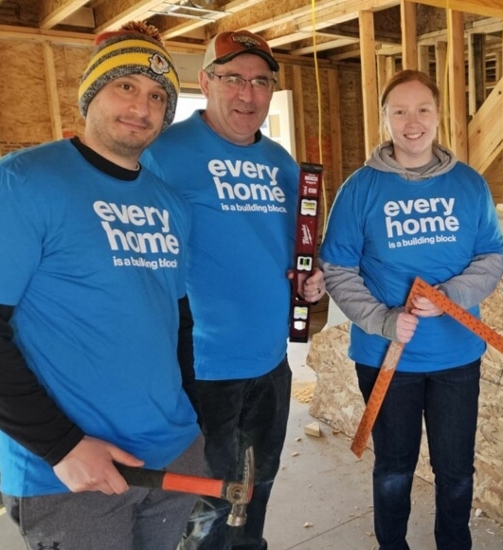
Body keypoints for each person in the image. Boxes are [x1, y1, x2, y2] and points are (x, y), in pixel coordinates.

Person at [0, 22, 205, 550]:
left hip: (174, 452)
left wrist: (192, 420)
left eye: (157, 96)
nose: (141, 106)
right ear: (91, 92)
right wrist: (61, 448)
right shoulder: (22, 183)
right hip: (69, 475)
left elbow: (177, 321)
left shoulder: (170, 204)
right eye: (124, 85)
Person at [140, 29, 324, 550]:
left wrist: (310, 281)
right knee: (203, 498)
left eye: (260, 82)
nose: (247, 94)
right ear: (206, 82)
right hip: (200, 364)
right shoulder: (163, 156)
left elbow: (295, 252)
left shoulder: (283, 165)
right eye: (233, 79)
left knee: (259, 482)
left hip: (270, 360)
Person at [319, 69, 503, 550]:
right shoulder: (360, 188)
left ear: (439, 115)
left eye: (423, 109)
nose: (412, 121)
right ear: (385, 118)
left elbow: (490, 257)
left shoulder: (469, 184)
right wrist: (383, 319)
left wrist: (451, 297)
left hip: (456, 358)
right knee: (394, 469)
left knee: (456, 470)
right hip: (386, 357)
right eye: (399, 111)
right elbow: (338, 269)